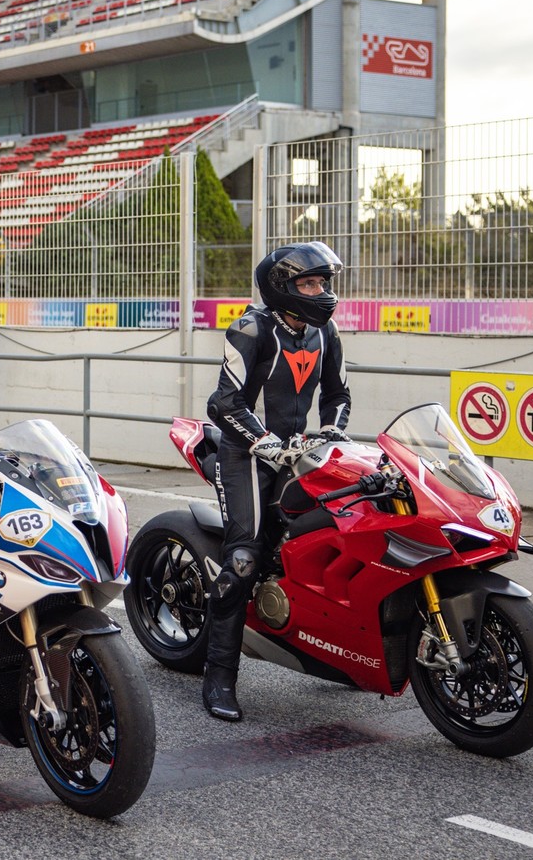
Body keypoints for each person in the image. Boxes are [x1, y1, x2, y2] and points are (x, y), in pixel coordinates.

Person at [202, 241, 350, 722]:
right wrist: (264, 443)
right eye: (309, 283)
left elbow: (338, 394)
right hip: (244, 451)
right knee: (243, 560)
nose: (321, 291)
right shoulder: (251, 328)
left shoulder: (325, 333)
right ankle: (219, 679)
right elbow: (223, 404)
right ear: (282, 287)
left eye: (323, 282)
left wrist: (331, 431)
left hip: (298, 451)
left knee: (332, 532)